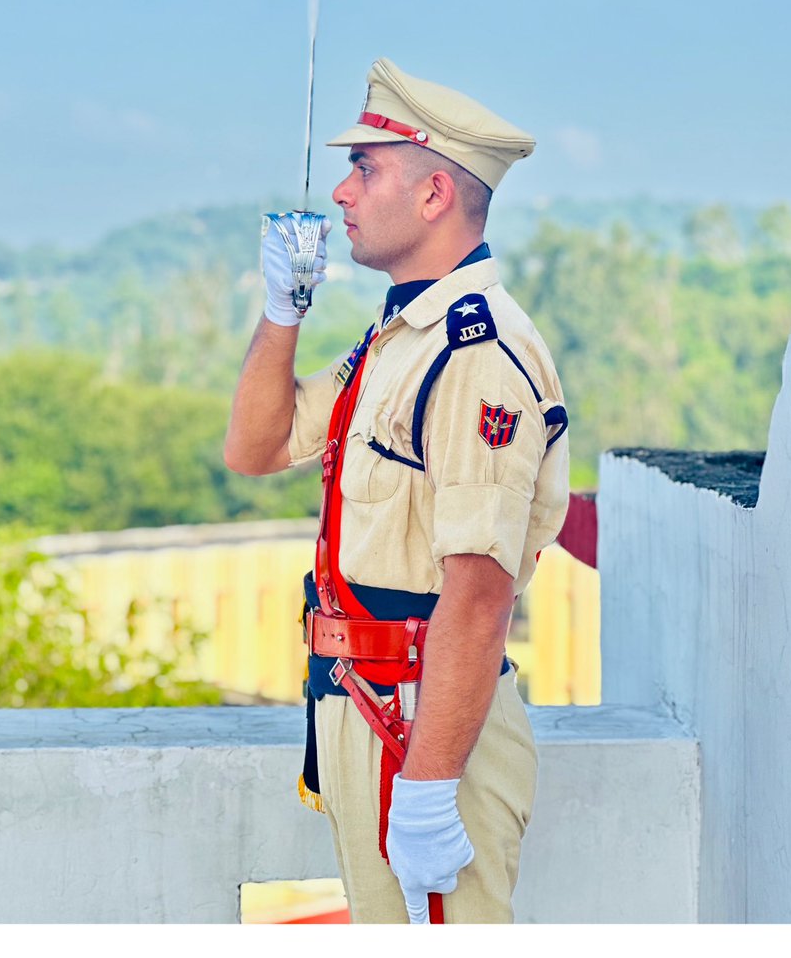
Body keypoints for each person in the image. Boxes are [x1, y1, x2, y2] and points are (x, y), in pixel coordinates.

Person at [224, 57, 570, 924]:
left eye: (365, 168)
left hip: (420, 720)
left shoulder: (473, 355)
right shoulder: (401, 337)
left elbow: (479, 591)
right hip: (369, 701)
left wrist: (428, 786)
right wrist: (284, 311)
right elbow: (257, 447)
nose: (341, 193)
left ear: (433, 197)